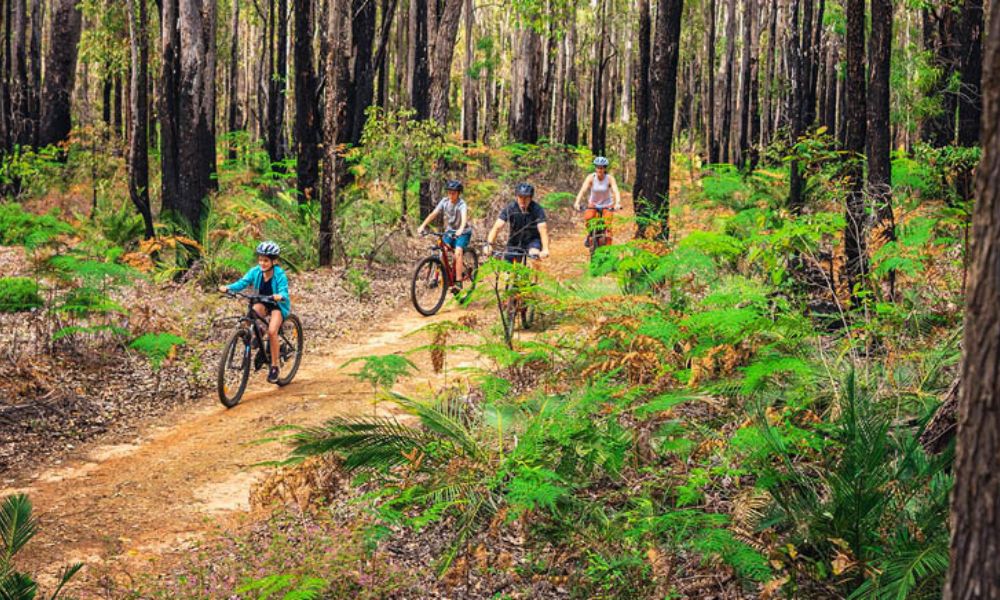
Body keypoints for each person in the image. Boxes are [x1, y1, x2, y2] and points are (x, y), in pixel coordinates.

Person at [218, 241, 291, 384]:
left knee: (272, 331)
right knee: (250, 316)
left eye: (266, 260)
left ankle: (275, 366)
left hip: (277, 304)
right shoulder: (255, 271)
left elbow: (284, 291)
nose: (262, 263)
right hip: (262, 301)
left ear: (274, 261)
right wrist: (228, 287)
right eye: (260, 260)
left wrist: (280, 295)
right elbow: (242, 282)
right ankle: (256, 339)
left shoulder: (279, 274)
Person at [417, 179, 471, 291]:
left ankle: (459, 282)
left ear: (458, 193)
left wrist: (461, 229)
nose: (451, 195)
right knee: (442, 251)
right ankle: (436, 277)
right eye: (449, 192)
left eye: (454, 193)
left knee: (458, 251)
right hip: (450, 231)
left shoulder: (462, 204)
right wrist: (423, 225)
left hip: (463, 232)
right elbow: (433, 214)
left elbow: (464, 217)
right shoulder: (444, 201)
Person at [485, 182, 550, 265]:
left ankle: (535, 277)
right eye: (520, 197)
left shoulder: (537, 209)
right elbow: (497, 227)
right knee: (507, 268)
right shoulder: (510, 208)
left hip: (533, 240)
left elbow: (543, 229)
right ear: (516, 197)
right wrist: (489, 244)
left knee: (534, 257)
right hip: (515, 240)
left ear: (530, 198)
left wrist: (545, 249)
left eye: (526, 197)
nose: (523, 200)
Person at [573, 156, 622, 247]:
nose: (600, 169)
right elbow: (583, 190)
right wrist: (577, 202)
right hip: (594, 203)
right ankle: (590, 235)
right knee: (588, 218)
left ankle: (608, 249)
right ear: (595, 168)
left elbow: (616, 191)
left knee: (608, 227)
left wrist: (617, 203)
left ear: (605, 168)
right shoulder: (591, 177)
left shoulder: (609, 178)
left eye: (602, 167)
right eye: (598, 167)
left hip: (607, 204)